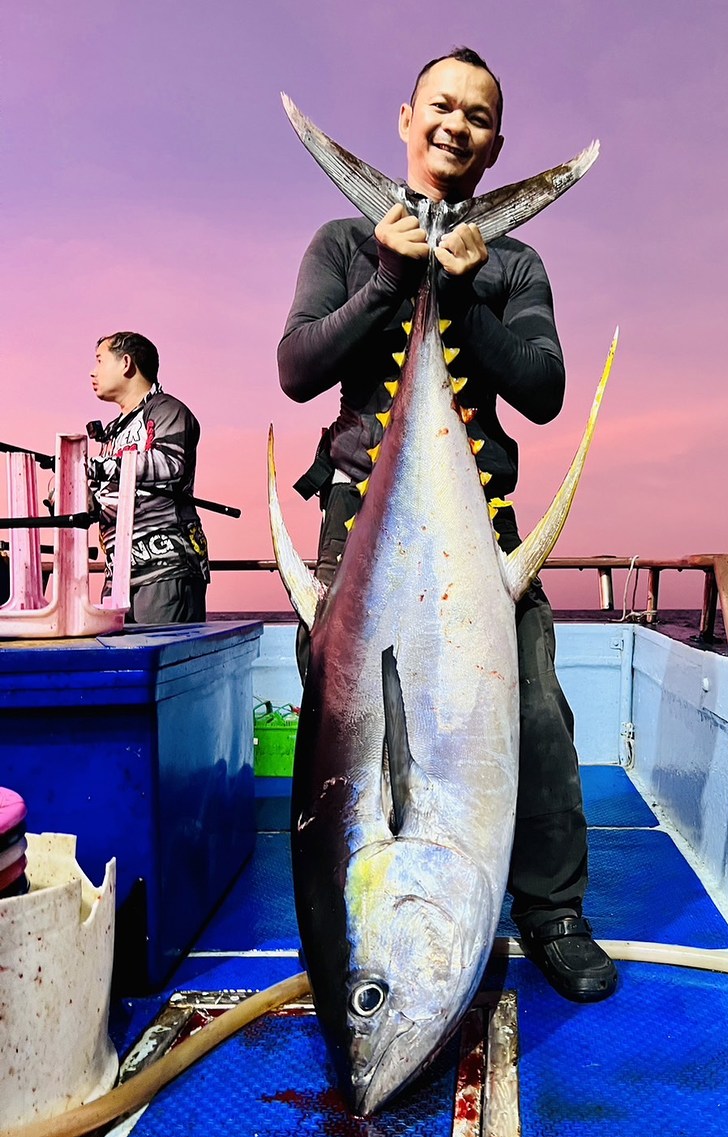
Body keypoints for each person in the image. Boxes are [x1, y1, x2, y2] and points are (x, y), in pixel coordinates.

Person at [277, 48, 617, 1003]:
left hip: (480, 524)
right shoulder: (345, 242)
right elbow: (298, 367)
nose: (455, 126)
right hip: (364, 523)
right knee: (342, 727)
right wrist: (390, 277)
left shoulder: (512, 258)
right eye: (440, 107)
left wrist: (460, 292)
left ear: (497, 143)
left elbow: (543, 390)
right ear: (405, 117)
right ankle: (346, 916)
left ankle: (551, 911)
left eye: (476, 116)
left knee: (534, 706)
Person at [88, 331, 209, 624]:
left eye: (100, 361)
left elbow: (169, 463)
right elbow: (103, 496)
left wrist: (96, 467)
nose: (93, 372)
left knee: (163, 666)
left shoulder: (167, 409)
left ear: (126, 363)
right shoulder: (114, 431)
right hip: (118, 578)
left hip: (166, 572)